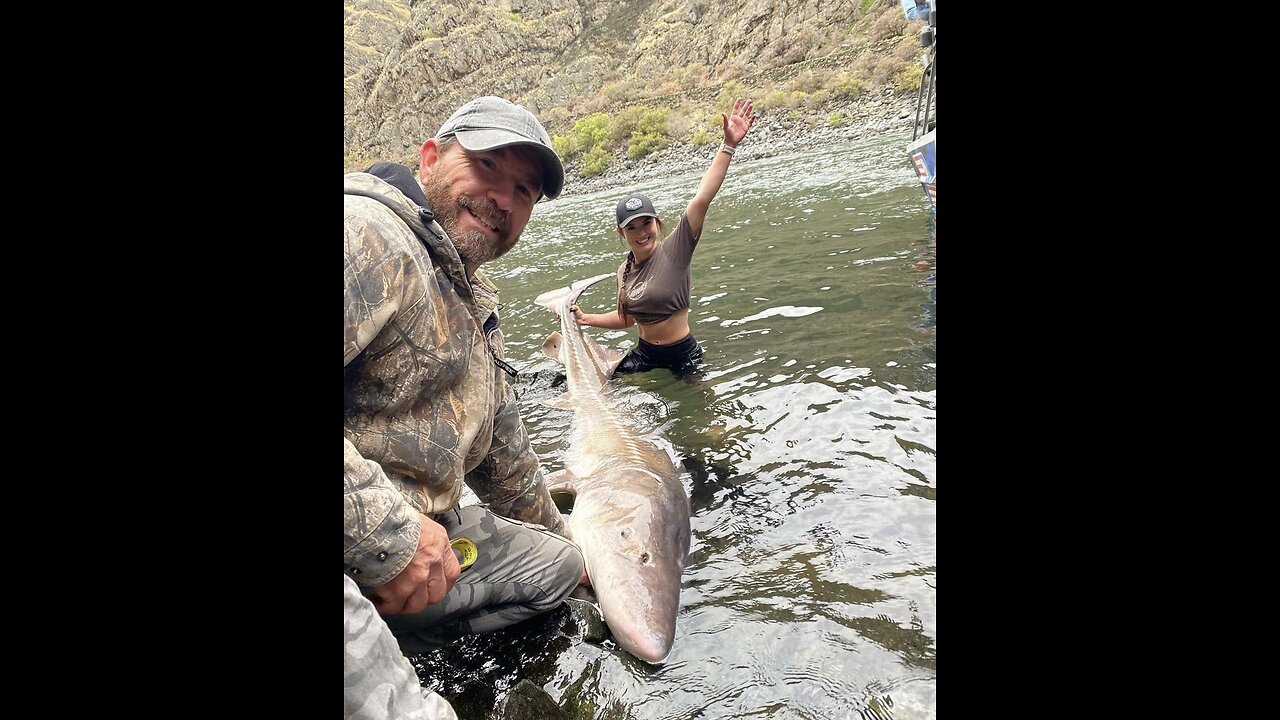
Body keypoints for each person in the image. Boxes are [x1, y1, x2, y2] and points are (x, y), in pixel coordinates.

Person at [344, 96, 586, 719]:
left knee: (558, 569)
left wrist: (575, 554)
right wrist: (386, 534)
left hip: (416, 550)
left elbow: (507, 461)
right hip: (361, 541)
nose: (503, 200)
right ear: (430, 157)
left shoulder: (471, 307)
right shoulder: (367, 235)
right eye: (485, 167)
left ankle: (401, 640)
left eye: (524, 191)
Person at [567, 98, 757, 376]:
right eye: (632, 228)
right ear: (621, 232)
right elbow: (627, 319)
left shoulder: (675, 250)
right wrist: (586, 319)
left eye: (647, 223)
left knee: (701, 413)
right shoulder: (625, 270)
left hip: (682, 354)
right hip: (644, 354)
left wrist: (728, 146)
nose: (642, 233)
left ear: (657, 223)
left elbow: (702, 198)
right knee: (592, 383)